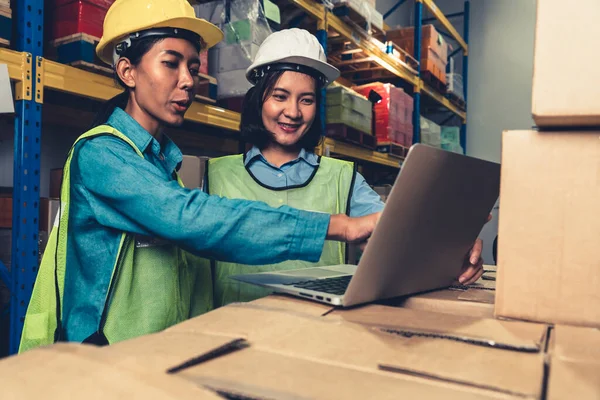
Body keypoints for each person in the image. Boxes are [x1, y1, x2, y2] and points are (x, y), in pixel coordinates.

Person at [18, 0, 379, 353]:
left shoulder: (160, 160)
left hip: (159, 359)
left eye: (192, 66)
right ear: (127, 71)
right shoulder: (102, 155)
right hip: (110, 364)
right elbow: (190, 218)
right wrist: (340, 227)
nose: (188, 81)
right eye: (171, 64)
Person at [206, 29, 485, 307]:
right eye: (280, 96)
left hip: (320, 334)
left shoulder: (342, 178)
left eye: (307, 100)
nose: (293, 112)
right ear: (258, 100)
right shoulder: (215, 175)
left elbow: (394, 238)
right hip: (235, 334)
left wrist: (452, 250)